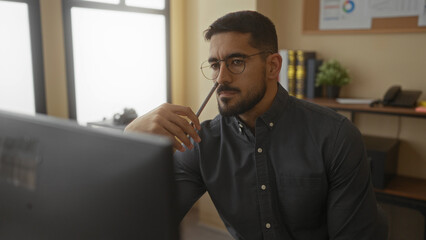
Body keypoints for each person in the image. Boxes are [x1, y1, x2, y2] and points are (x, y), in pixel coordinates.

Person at [126, 10, 386, 240]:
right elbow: (145, 222)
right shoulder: (202, 142)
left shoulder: (336, 136)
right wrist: (132, 145)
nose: (221, 78)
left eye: (236, 62)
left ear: (273, 66)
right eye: (215, 65)